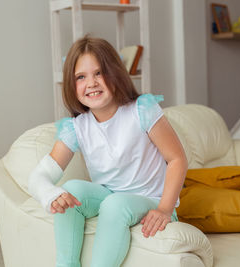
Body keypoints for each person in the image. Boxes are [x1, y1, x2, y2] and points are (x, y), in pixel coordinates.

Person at [28, 35, 187, 267]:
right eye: (81, 77)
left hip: (150, 200)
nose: (91, 83)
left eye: (99, 73)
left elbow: (177, 159)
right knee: (69, 189)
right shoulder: (77, 127)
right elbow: (39, 177)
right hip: (111, 195)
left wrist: (164, 209)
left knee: (115, 205)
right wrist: (49, 195)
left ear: (116, 73)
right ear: (72, 86)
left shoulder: (142, 110)